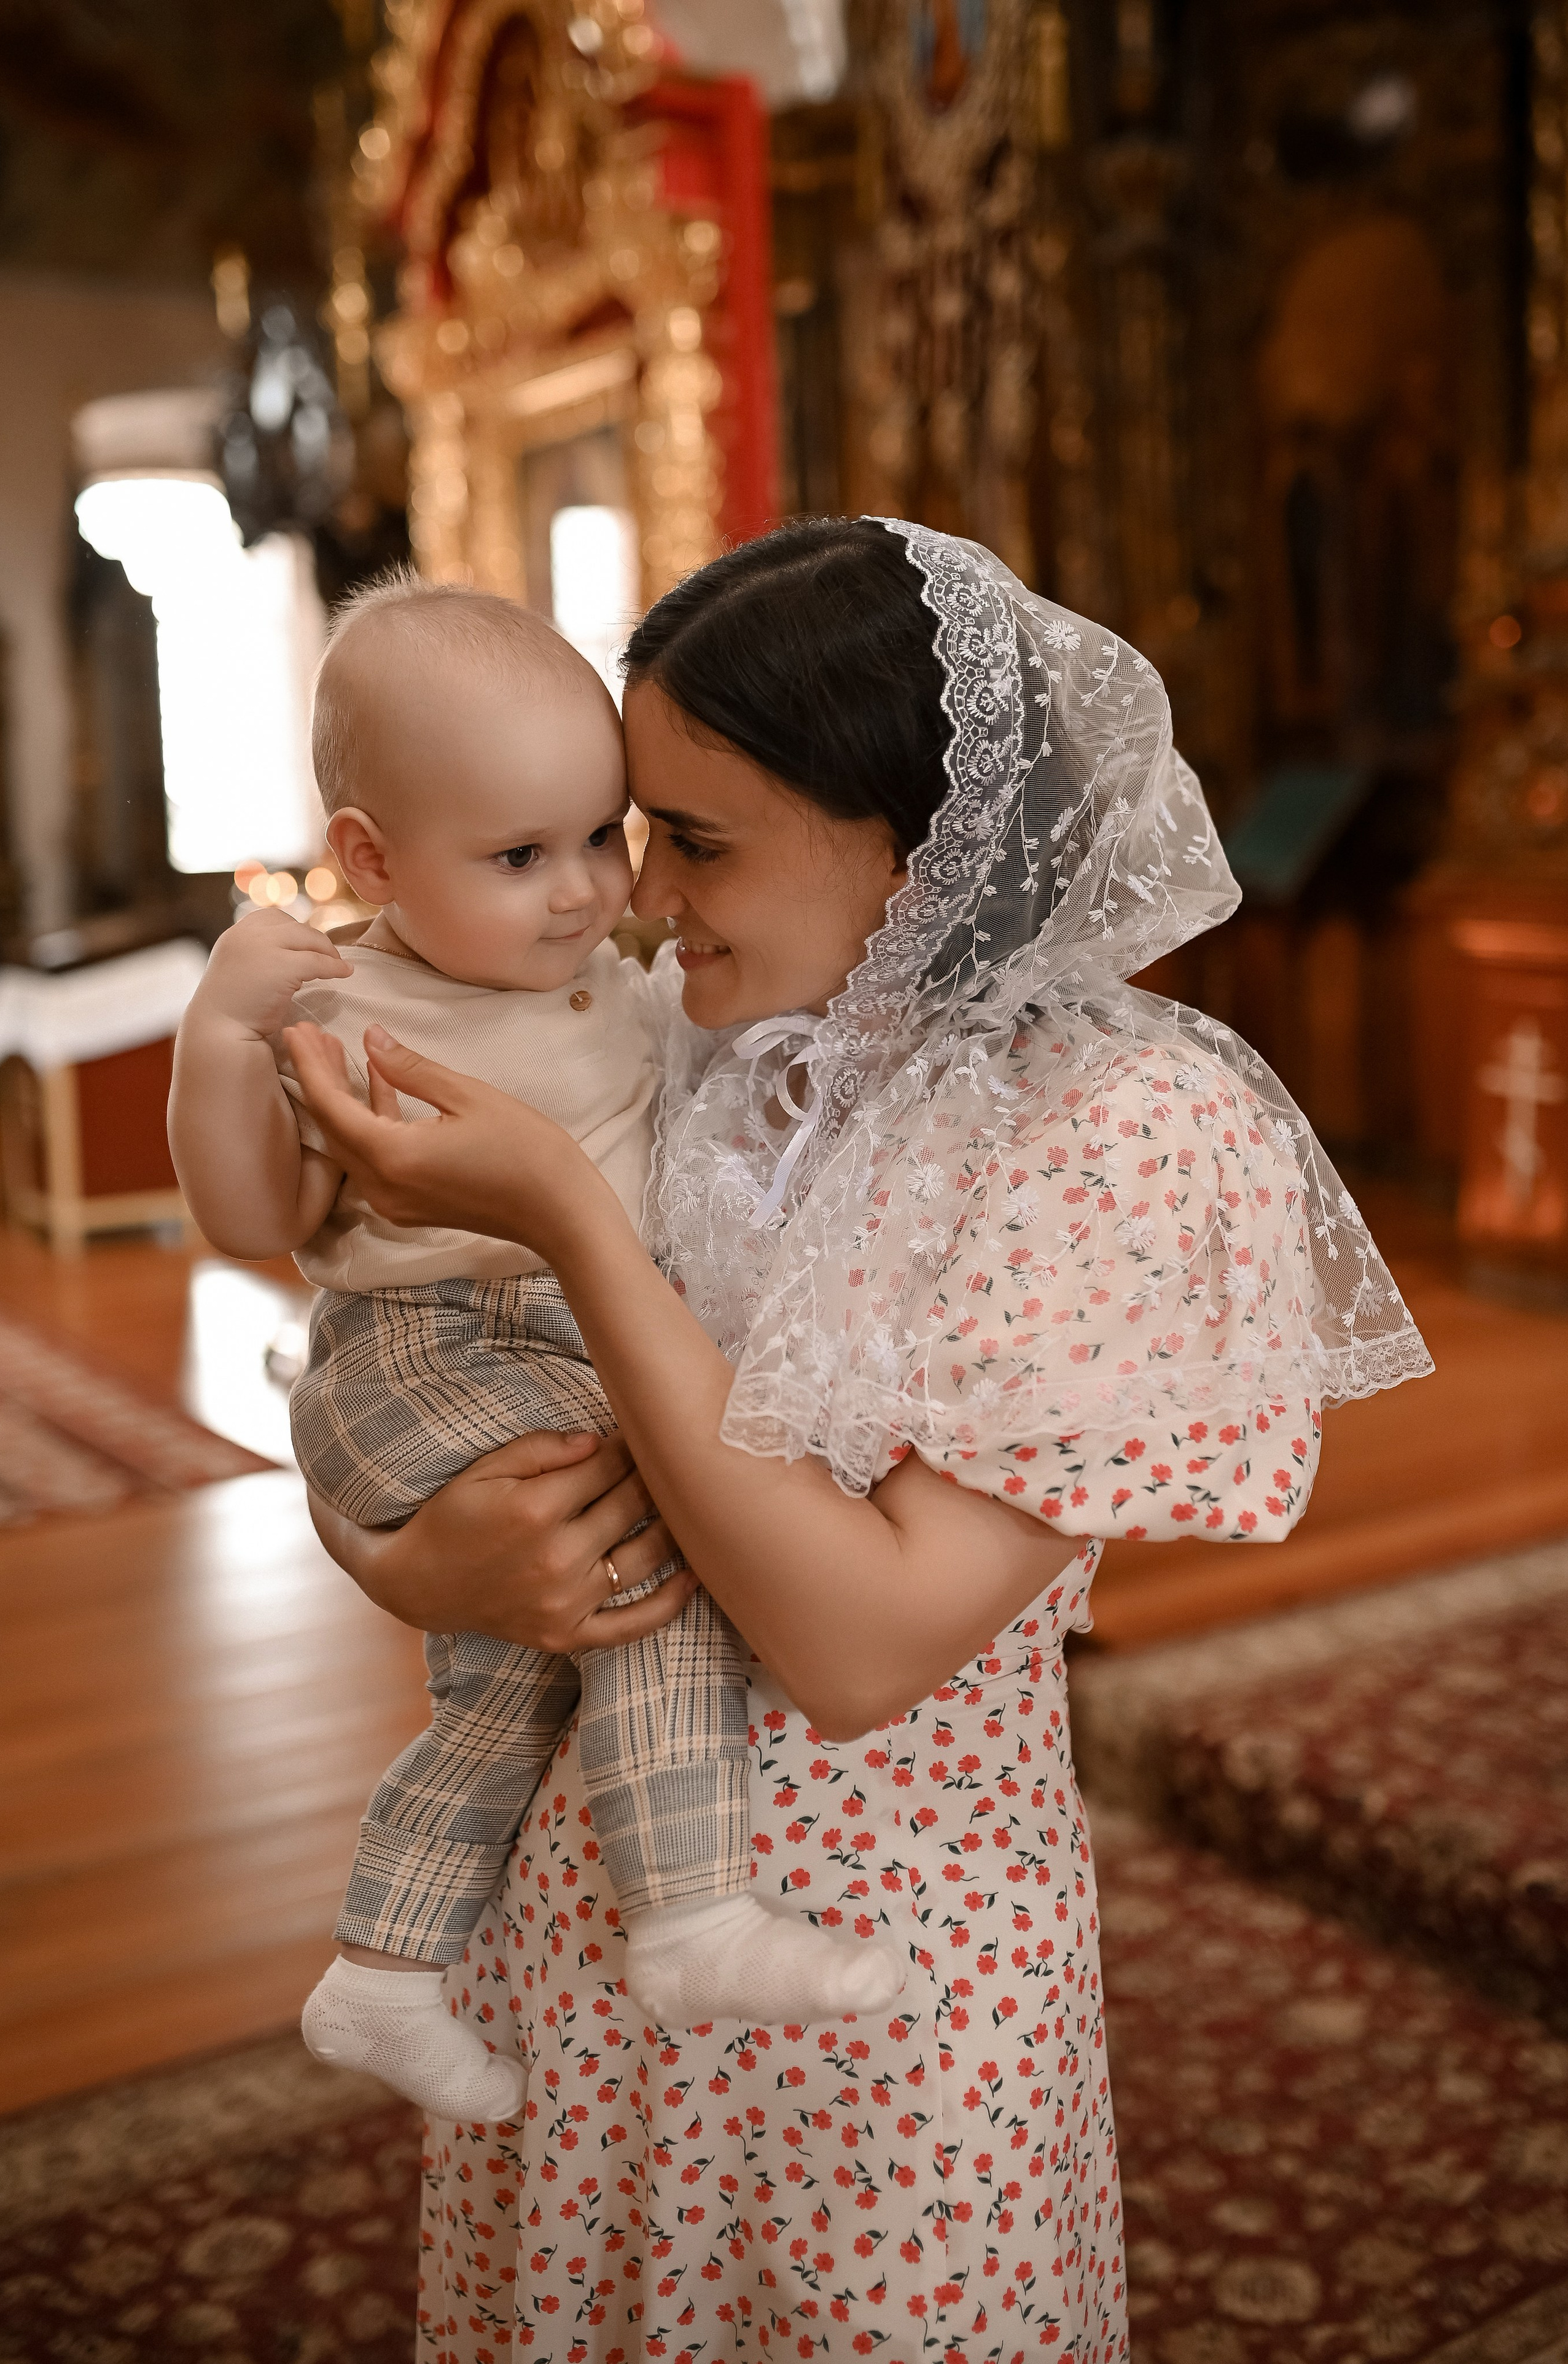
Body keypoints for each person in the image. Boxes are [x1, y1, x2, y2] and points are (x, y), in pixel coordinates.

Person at [291, 519, 1433, 2362]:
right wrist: (406, 1555)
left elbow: (860, 1648)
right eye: (628, 828)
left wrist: (575, 1226)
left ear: (914, 838)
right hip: (577, 1930)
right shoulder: (683, 1037)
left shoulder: (1126, 1130)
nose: (641, 896)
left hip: (881, 1985)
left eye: (697, 836)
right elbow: (414, 1359)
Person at [168, 574, 903, 2132]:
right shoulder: (343, 1002)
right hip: (421, 1343)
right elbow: (250, 1218)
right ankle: (691, 1914)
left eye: (602, 835)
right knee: (660, 1524)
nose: (582, 889)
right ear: (367, 858)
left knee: (510, 1691)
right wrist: (218, 1046)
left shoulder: (629, 992)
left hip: (561, 1342)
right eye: (517, 856)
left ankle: (384, 1961)